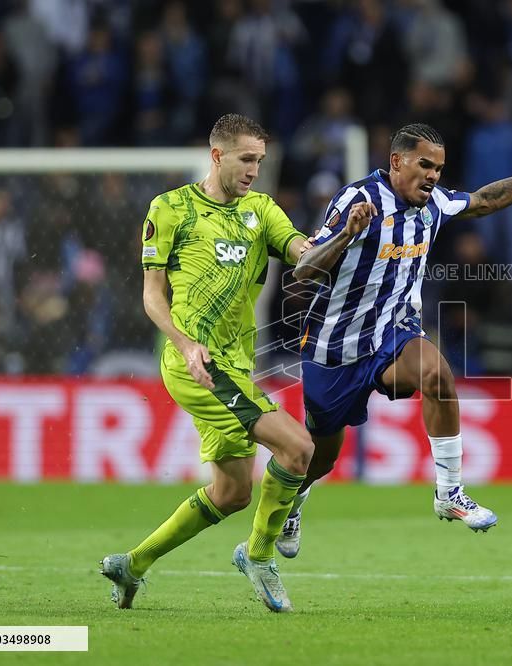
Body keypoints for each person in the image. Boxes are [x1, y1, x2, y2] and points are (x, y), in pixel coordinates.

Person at [280, 123, 512, 557]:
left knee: (438, 375)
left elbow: (485, 199)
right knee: (320, 457)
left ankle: (449, 492)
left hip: (395, 332)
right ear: (397, 161)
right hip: (335, 347)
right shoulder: (358, 200)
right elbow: (304, 268)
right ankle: (293, 500)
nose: (434, 176)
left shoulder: (434, 204)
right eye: (425, 165)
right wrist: (347, 234)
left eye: (439, 168)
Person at [100, 114, 314, 613]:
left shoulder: (261, 210)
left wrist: (342, 237)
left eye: (259, 161)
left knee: (234, 492)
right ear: (217, 156)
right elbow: (153, 296)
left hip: (236, 366)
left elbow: (302, 251)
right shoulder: (170, 207)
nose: (254, 171)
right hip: (192, 363)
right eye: (246, 159)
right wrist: (184, 342)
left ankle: (132, 565)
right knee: (298, 447)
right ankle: (259, 556)